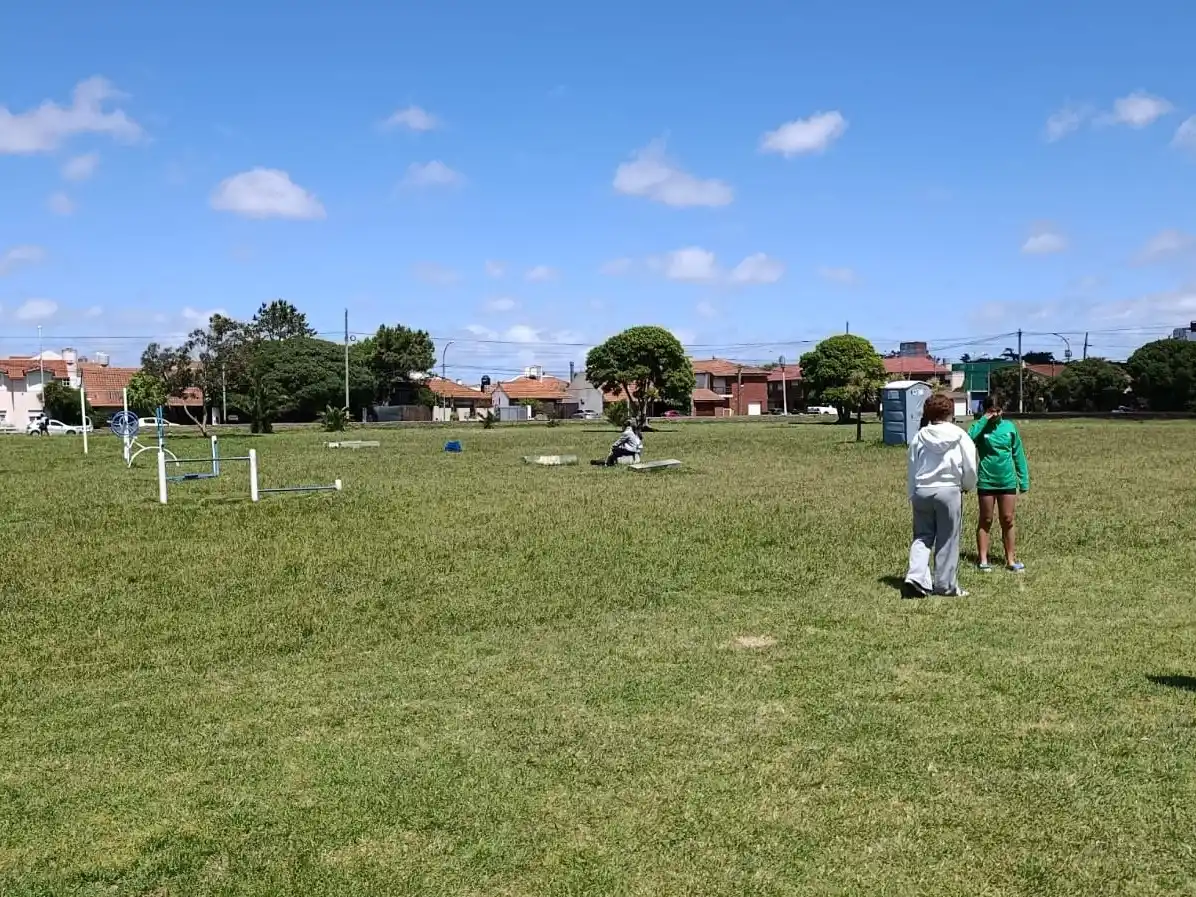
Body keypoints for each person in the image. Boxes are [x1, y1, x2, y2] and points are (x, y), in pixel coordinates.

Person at [904, 394, 978, 598]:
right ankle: (945, 585)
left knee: (922, 536)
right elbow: (970, 465)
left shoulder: (920, 435)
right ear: (950, 413)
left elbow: (912, 465)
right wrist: (967, 486)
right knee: (948, 538)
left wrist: (912, 492)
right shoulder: (960, 435)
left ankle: (916, 577)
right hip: (949, 490)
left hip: (922, 490)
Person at [968, 396, 1030, 573]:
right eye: (991, 410)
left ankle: (1011, 560)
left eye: (997, 410)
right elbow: (968, 439)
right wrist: (983, 420)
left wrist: (1023, 479)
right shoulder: (980, 427)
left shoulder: (1009, 428)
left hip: (1007, 481)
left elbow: (1018, 454)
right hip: (986, 480)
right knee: (986, 519)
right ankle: (983, 560)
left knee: (1008, 519)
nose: (995, 414)